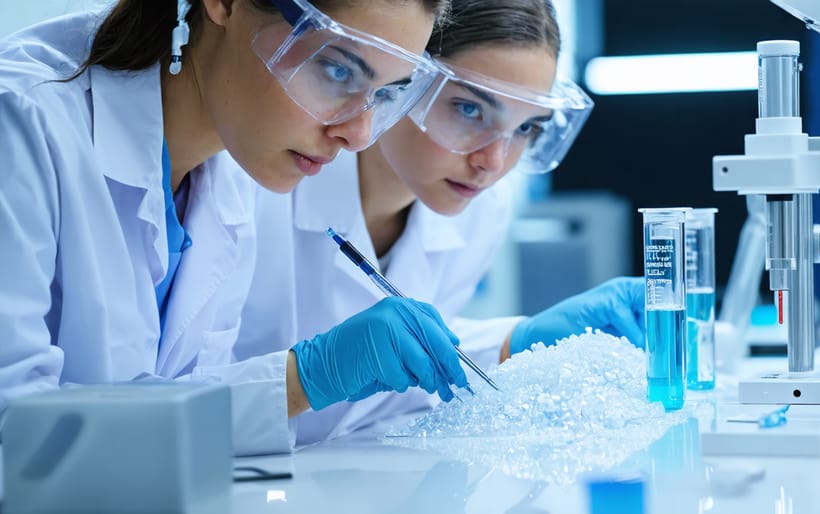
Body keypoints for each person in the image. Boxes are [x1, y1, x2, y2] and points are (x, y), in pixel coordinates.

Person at [0, 0, 474, 456]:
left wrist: (303, 385)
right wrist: (301, 379)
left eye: (384, 93)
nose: (359, 135)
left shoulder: (231, 172)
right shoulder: (22, 122)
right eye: (337, 70)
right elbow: (15, 434)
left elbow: (177, 419)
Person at [238, 0, 645, 444]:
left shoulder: (484, 209)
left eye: (526, 128)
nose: (493, 162)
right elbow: (167, 403)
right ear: (399, 79)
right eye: (470, 110)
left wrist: (516, 343)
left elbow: (401, 368)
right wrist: (308, 378)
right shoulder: (259, 181)